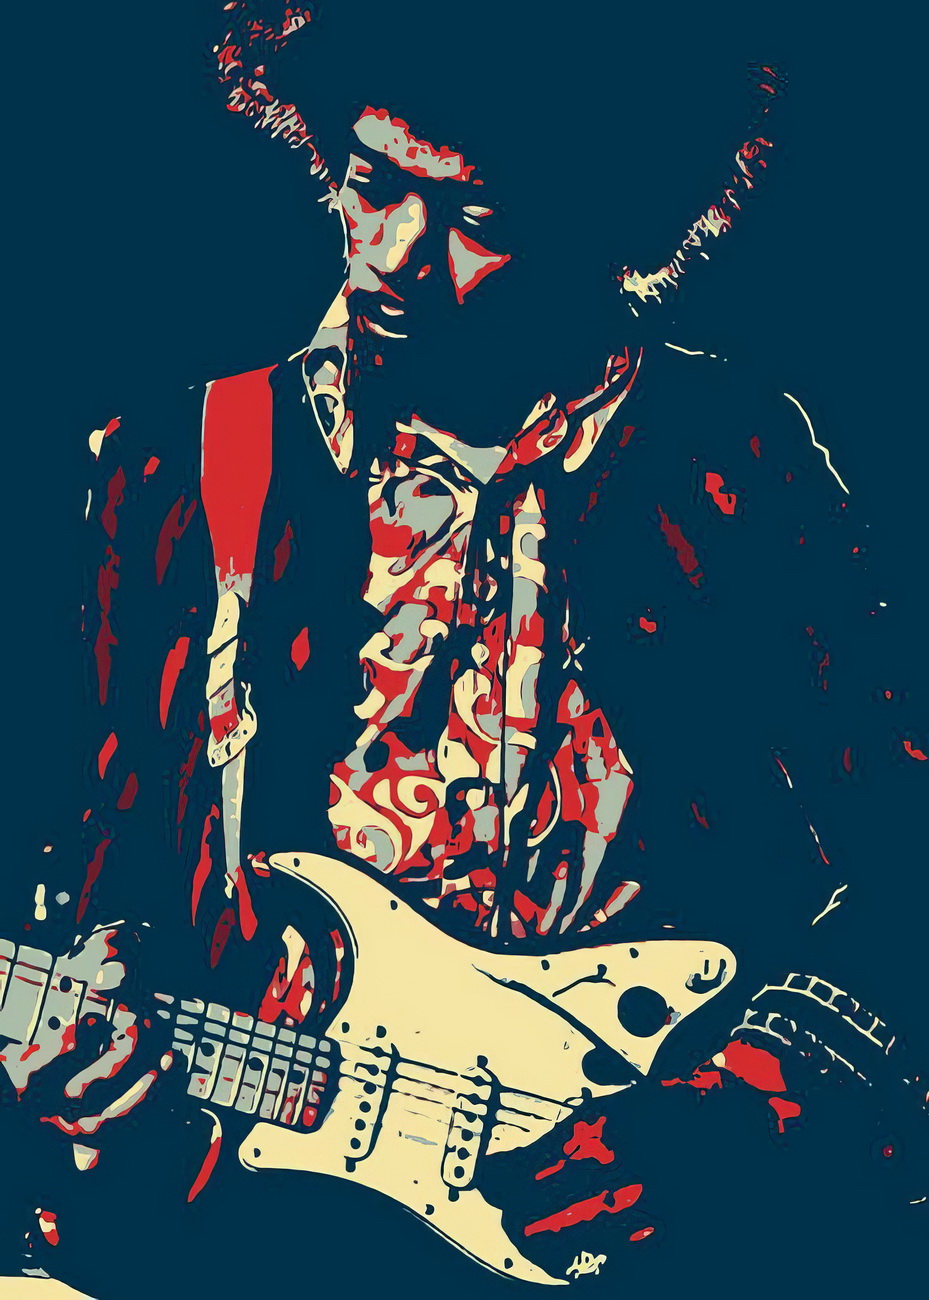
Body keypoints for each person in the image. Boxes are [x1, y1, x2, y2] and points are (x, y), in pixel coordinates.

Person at [1, 3, 925, 1296]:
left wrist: (752, 1100)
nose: (394, 254)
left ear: (611, 219)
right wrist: (80, 1056)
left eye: (477, 216)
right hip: (260, 1231)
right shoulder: (175, 468)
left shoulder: (736, 466)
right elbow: (83, 860)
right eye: (370, 181)